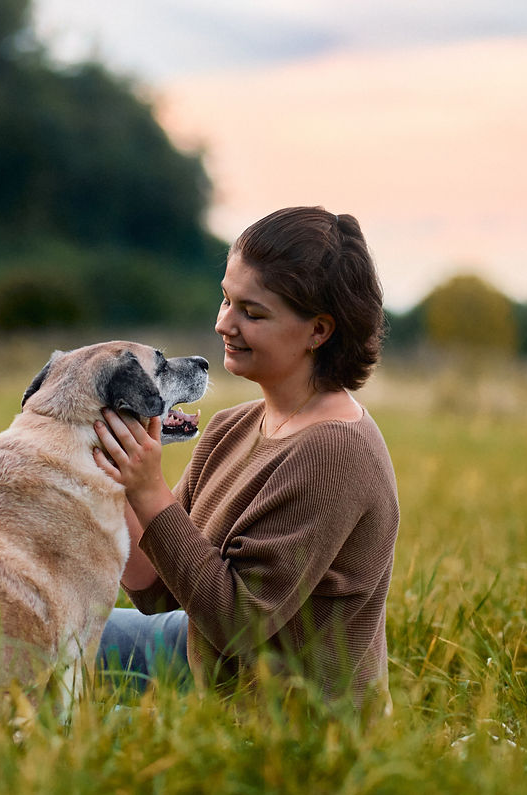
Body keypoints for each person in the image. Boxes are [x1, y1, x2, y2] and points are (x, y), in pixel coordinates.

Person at [93, 205, 399, 712]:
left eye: (251, 313)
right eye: (225, 299)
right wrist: (120, 471)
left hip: (278, 719)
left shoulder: (336, 453)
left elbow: (238, 622)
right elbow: (160, 589)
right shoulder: (232, 426)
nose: (222, 324)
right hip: (201, 656)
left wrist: (149, 489)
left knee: (64, 738)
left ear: (318, 331)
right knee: (23, 625)